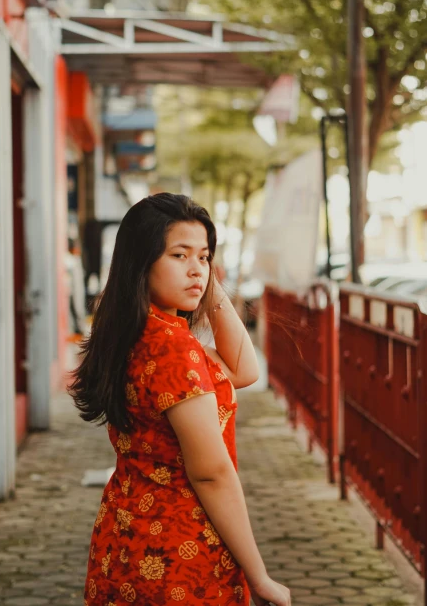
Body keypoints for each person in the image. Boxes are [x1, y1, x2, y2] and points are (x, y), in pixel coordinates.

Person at [68, 193, 291, 606]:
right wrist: (259, 576)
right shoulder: (172, 347)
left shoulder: (138, 330)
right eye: (179, 255)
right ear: (142, 261)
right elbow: (211, 474)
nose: (196, 270)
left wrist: (204, 281)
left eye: (204, 258)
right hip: (178, 557)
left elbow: (243, 371)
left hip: (124, 538)